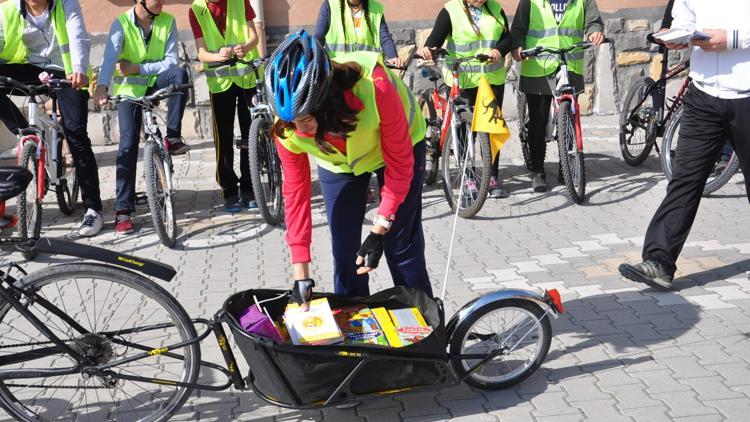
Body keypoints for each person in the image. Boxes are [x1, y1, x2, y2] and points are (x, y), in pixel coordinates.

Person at [266, 30, 432, 298]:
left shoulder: (374, 86)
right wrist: (301, 277)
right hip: (341, 164)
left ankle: (426, 327)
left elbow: (400, 167)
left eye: (306, 118)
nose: (299, 129)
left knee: (399, 247)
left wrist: (379, 231)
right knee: (345, 253)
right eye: (292, 121)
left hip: (401, 145)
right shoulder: (286, 124)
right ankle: (353, 329)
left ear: (325, 100)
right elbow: (295, 197)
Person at [619, 0, 750, 290]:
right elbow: (684, 17)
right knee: (684, 180)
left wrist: (732, 39)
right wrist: (678, 35)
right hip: (703, 94)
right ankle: (659, 261)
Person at [0, 0, 104, 236]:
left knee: (76, 134)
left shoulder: (66, 4)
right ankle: (23, 131)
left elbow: (78, 37)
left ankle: (93, 209)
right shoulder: (7, 10)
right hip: (32, 69)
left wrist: (78, 67)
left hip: (68, 71)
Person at [93, 0, 189, 235]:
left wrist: (137, 68)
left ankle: (173, 137)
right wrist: (102, 86)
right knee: (127, 143)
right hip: (131, 92)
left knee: (180, 74)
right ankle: (122, 211)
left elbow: (171, 61)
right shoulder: (122, 24)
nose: (161, 2)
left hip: (156, 82)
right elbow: (109, 59)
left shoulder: (168, 21)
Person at [417, 0, 512, 199]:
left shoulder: (495, 8)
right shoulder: (451, 11)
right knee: (464, 131)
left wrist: (499, 50)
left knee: (491, 128)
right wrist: (428, 49)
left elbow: (508, 38)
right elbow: (435, 39)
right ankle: (468, 176)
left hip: (491, 79)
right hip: (463, 79)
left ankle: (492, 176)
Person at [510, 0, 604, 192]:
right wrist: (518, 48)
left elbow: (593, 21)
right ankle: (538, 171)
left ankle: (566, 165)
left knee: (568, 118)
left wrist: (595, 31)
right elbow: (518, 29)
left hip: (569, 64)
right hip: (538, 66)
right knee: (539, 118)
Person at [189, 0, 260, 212]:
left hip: (246, 77)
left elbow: (254, 38)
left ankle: (249, 186)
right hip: (220, 83)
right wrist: (218, 56)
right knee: (224, 137)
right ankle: (229, 190)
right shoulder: (196, 10)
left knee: (251, 135)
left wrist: (245, 48)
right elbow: (201, 53)